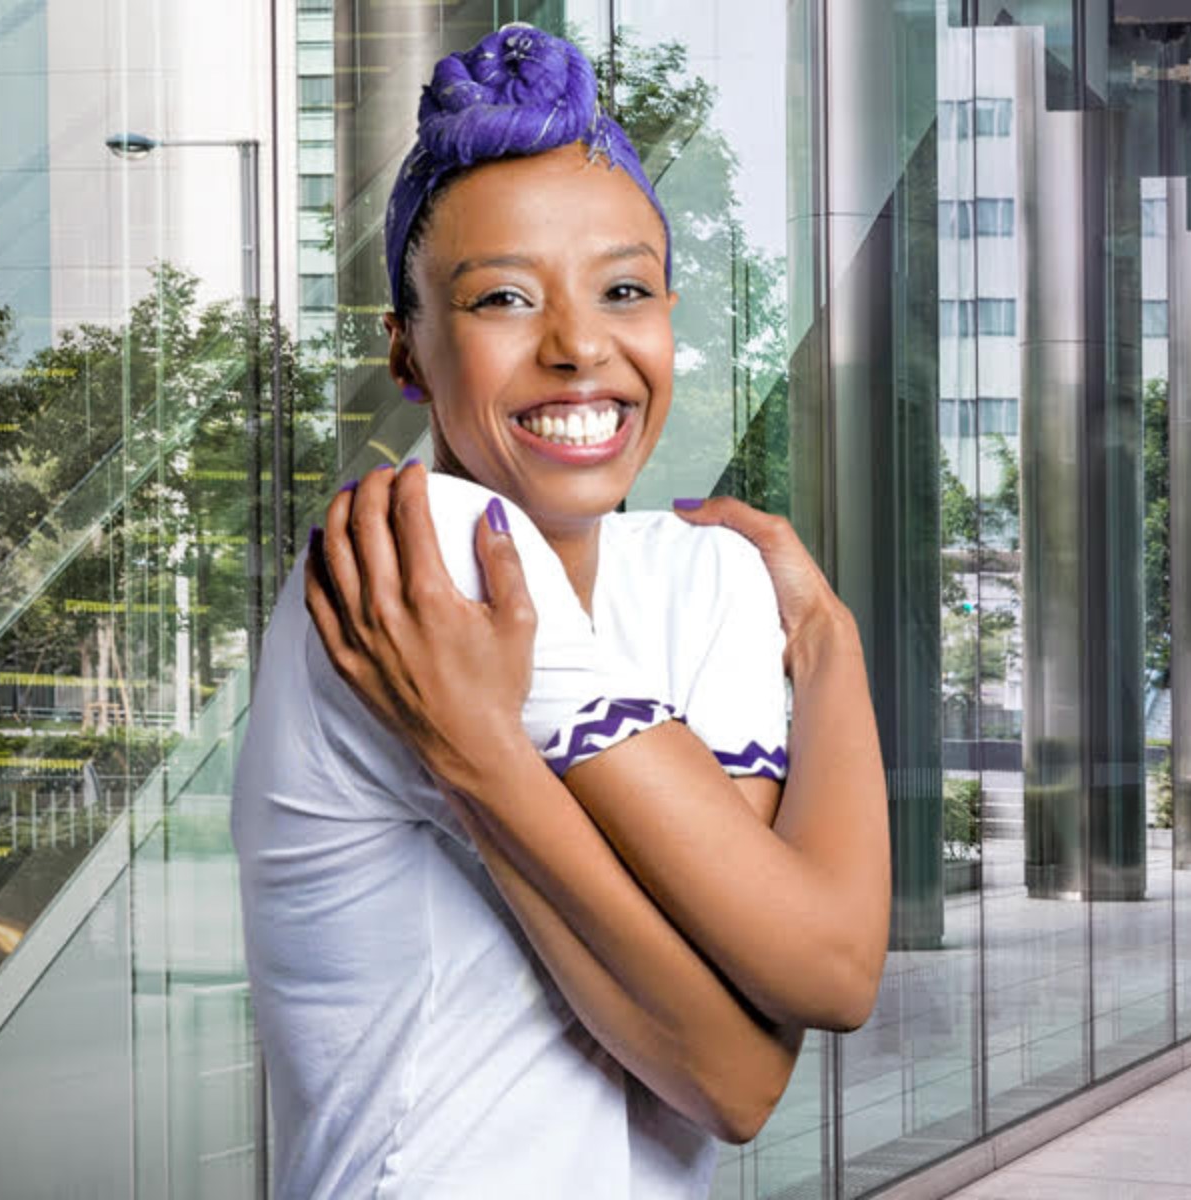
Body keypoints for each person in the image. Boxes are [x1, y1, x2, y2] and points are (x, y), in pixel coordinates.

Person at [231, 23, 889, 1200]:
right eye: (502, 300)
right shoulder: (416, 552)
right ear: (408, 350)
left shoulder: (703, 572)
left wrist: (830, 645)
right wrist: (479, 760)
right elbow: (762, 1050)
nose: (580, 347)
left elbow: (792, 988)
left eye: (624, 290)